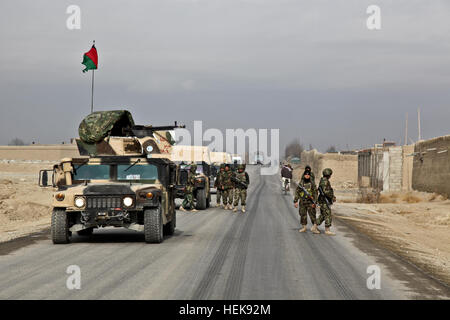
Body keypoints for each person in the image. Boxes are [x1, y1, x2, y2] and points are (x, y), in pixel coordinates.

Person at [317, 168, 337, 235]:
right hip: (324, 200)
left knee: (323, 215)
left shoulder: (323, 180)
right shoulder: (325, 181)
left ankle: (314, 227)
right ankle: (327, 230)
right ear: (329, 175)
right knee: (328, 214)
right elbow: (326, 191)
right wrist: (332, 196)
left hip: (322, 200)